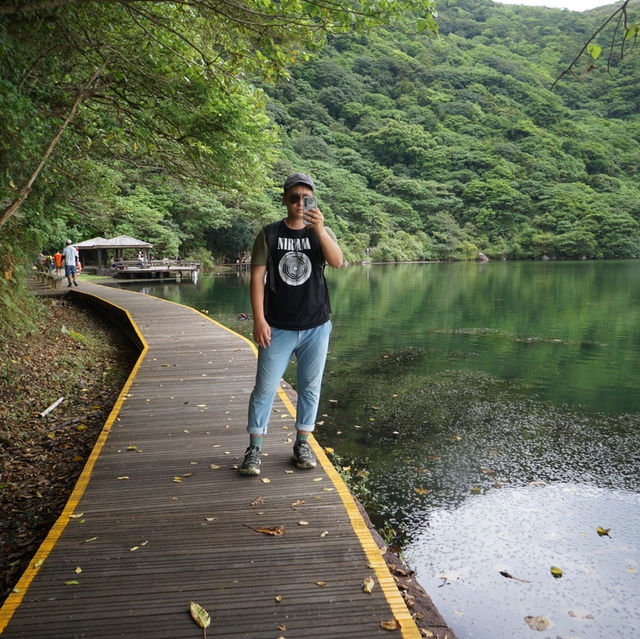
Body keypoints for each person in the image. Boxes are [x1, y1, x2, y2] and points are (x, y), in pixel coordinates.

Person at [239, 172, 343, 476]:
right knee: (265, 388)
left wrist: (320, 230)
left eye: (306, 197)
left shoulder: (321, 232)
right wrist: (259, 319)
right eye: (294, 197)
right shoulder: (269, 234)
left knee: (311, 388)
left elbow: (337, 262)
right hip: (278, 326)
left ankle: (302, 443)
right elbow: (257, 277)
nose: (300, 202)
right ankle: (254, 449)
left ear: (313, 199)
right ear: (285, 199)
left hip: (316, 326)